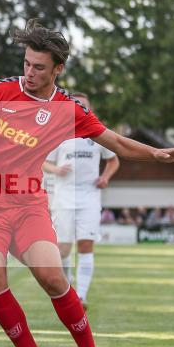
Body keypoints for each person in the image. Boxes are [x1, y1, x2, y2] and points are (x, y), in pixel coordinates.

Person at [0, 20, 174, 347]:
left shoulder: (68, 109)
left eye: (39, 67)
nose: (29, 73)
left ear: (58, 69)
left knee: (52, 277)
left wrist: (158, 155)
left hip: (27, 206)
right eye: (26, 63)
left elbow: (116, 143)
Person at [42, 92, 119, 308]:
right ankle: (68, 288)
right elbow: (43, 162)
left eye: (83, 105)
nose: (80, 108)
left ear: (89, 108)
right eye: (76, 105)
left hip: (90, 198)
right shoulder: (57, 134)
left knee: (86, 245)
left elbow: (113, 161)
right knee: (63, 249)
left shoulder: (97, 134)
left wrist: (104, 177)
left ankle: (81, 296)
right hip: (63, 197)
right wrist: (56, 169)